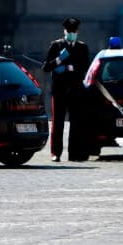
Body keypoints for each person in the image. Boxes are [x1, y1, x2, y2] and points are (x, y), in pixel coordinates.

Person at [42, 18, 90, 162]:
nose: (71, 33)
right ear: (65, 31)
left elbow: (85, 69)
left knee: (76, 123)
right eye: (69, 31)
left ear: (77, 32)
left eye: (73, 31)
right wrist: (58, 61)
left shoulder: (82, 47)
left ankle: (74, 154)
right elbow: (46, 67)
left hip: (76, 91)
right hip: (59, 91)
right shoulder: (56, 46)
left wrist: (71, 68)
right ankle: (55, 153)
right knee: (58, 124)